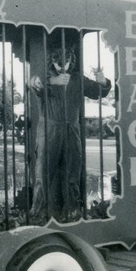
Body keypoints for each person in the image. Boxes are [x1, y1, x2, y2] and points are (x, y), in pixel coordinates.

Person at [29, 43, 111, 223]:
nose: (63, 66)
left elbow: (98, 92)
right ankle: (37, 213)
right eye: (58, 62)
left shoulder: (77, 79)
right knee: (43, 173)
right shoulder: (46, 77)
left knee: (72, 173)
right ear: (52, 62)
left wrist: (103, 82)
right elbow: (35, 84)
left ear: (72, 61)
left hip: (72, 130)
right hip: (49, 130)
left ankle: (73, 212)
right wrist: (52, 81)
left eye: (66, 62)